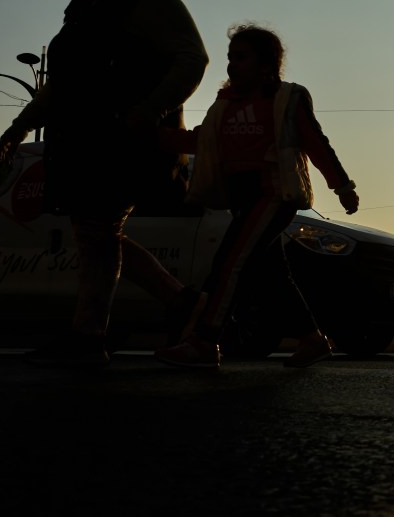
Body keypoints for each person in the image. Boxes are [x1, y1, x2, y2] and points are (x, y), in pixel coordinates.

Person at [0, 0, 209, 367]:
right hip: (83, 136)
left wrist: (147, 111)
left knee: (96, 231)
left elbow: (192, 58)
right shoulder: (90, 0)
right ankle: (181, 303)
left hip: (119, 134)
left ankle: (90, 334)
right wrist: (20, 124)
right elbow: (65, 81)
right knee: (94, 232)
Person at [154, 24, 360, 369]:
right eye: (230, 58)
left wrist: (342, 186)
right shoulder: (225, 105)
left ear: (267, 63)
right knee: (270, 274)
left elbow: (315, 141)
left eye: (241, 57)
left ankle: (205, 341)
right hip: (241, 198)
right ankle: (312, 339)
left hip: (272, 193)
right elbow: (200, 141)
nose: (232, 65)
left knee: (229, 263)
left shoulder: (286, 99)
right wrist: (153, 135)